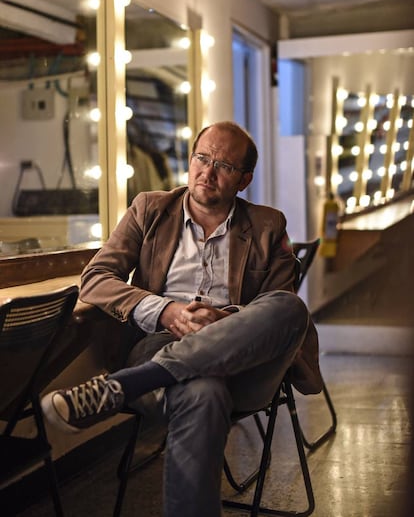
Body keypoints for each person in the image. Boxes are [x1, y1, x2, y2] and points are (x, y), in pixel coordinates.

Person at [41, 121, 323, 517]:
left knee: (290, 308)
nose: (207, 172)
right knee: (203, 393)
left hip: (244, 364)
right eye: (202, 158)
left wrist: (224, 320)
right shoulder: (150, 209)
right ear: (190, 160)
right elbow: (95, 279)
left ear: (244, 180)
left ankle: (124, 386)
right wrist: (166, 311)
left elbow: (277, 307)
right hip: (159, 344)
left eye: (223, 165)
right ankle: (142, 377)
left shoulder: (267, 224)